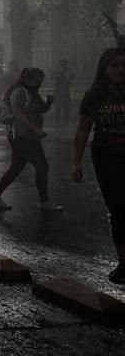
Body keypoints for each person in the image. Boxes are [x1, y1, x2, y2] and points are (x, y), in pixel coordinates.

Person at [73, 47, 125, 284]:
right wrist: (77, 162)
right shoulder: (94, 95)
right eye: (114, 65)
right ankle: (123, 263)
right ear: (104, 69)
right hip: (107, 156)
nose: (120, 70)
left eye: (123, 65)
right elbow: (83, 129)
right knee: (117, 209)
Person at [0, 67, 60, 211]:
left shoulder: (32, 92)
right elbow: (18, 114)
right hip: (21, 135)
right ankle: (44, 201)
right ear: (28, 79)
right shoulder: (19, 92)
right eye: (37, 80)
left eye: (41, 80)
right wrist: (36, 129)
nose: (39, 83)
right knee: (42, 165)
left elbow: (39, 109)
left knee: (17, 167)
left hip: (27, 135)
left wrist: (49, 103)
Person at [52, 59, 74, 124]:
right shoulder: (65, 71)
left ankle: (61, 119)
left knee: (62, 105)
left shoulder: (62, 71)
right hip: (62, 90)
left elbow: (69, 77)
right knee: (62, 105)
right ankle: (61, 119)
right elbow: (70, 77)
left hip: (61, 90)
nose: (62, 66)